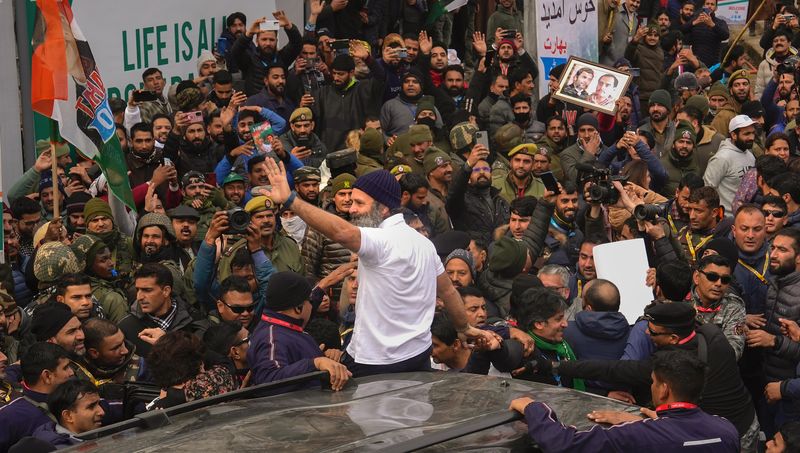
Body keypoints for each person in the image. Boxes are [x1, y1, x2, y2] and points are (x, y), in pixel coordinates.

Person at [262, 161, 496, 377]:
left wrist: (291, 200)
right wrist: (464, 327)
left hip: (373, 363)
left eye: (359, 203)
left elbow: (340, 232)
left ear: (383, 208)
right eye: (351, 201)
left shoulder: (380, 239)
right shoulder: (423, 243)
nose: (351, 209)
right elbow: (448, 292)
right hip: (417, 358)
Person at [509, 350, 740, 452]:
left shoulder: (637, 435)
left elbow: (563, 444)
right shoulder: (727, 429)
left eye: (653, 382)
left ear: (664, 390)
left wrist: (533, 407)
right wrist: (661, 422)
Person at [248, 271, 350, 390]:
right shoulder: (272, 338)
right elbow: (268, 380)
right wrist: (315, 363)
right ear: (298, 307)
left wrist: (323, 286)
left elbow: (302, 315)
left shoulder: (281, 323)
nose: (312, 306)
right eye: (310, 301)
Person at [0, 343, 74, 452]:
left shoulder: (74, 394)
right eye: (66, 368)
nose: (72, 373)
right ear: (47, 376)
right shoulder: (12, 416)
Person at [704, 115, 757, 215]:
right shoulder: (722, 158)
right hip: (726, 217)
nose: (751, 137)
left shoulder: (750, 155)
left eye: (753, 133)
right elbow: (708, 190)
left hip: (745, 216)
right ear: (733, 135)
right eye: (747, 134)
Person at [34, 380, 104, 448]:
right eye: (91, 406)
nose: (102, 412)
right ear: (68, 416)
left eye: (99, 404)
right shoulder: (61, 449)